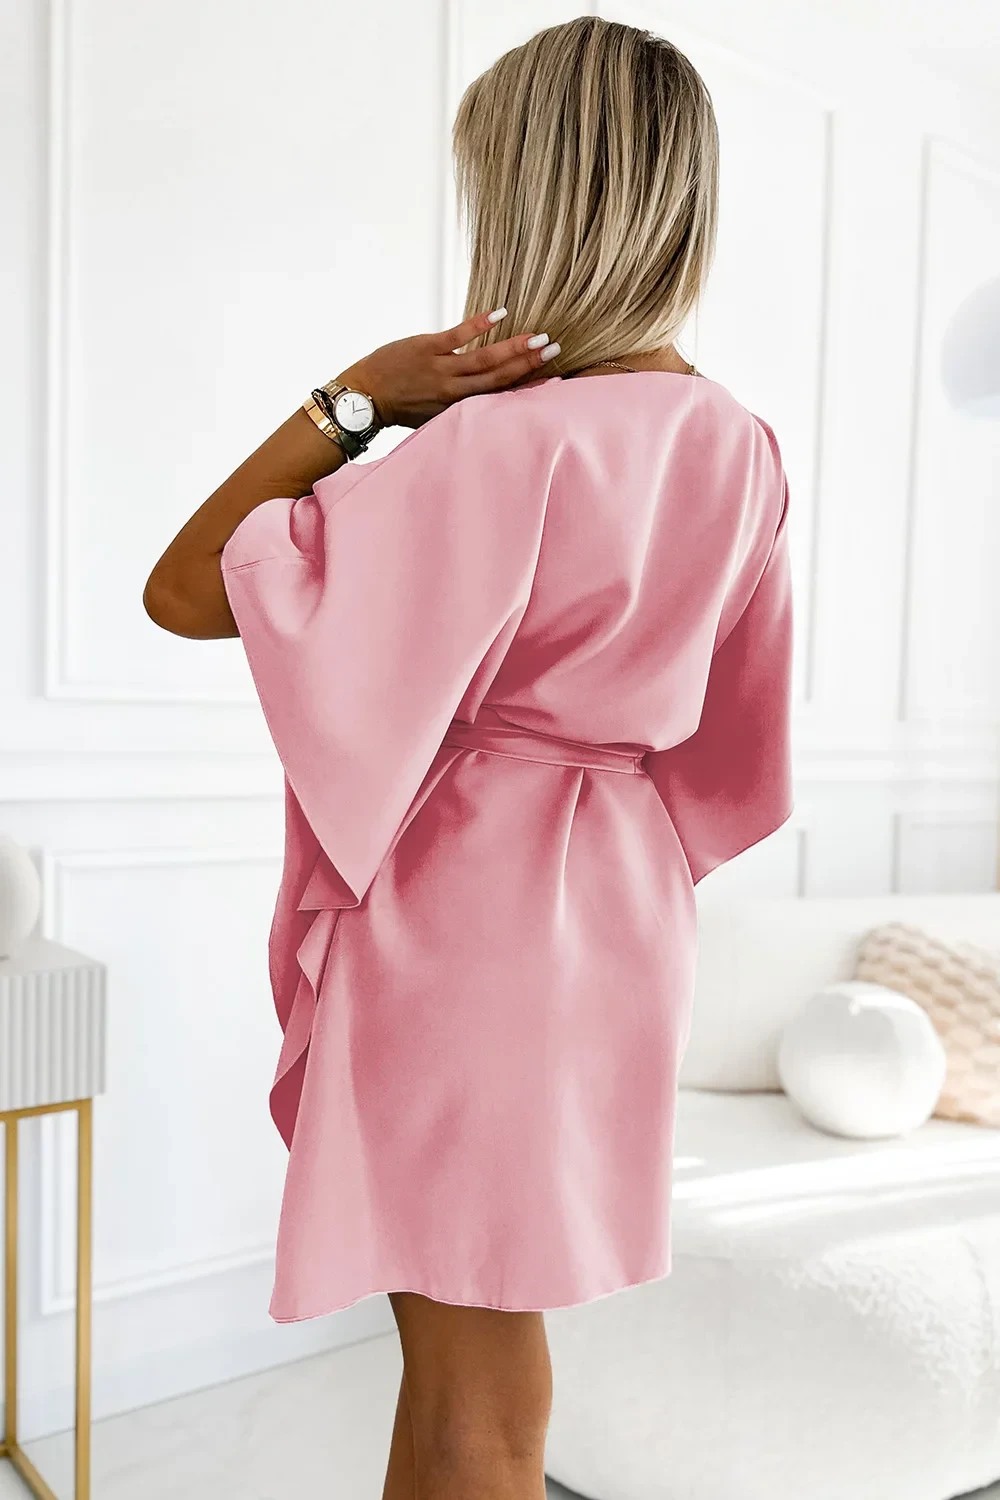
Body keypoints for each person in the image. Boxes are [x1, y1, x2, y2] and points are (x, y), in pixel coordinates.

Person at [143, 15, 793, 1500]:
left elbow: (184, 588)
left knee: (469, 1395)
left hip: (467, 915)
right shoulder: (741, 445)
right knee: (481, 1356)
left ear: (533, 199)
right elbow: (730, 747)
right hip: (618, 909)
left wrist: (358, 397)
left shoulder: (499, 445)